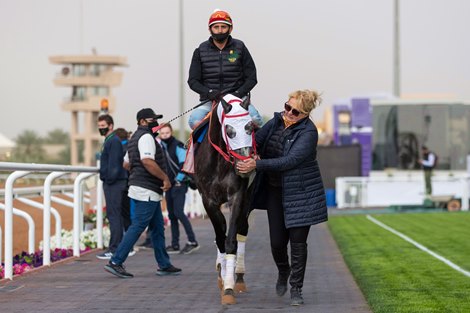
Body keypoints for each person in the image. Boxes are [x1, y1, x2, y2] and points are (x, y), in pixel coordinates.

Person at [237, 89, 328, 306]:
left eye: (294, 111)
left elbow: (290, 160)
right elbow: (257, 140)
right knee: (277, 243)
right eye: (287, 106)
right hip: (275, 191)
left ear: (305, 114)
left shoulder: (309, 132)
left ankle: (296, 289)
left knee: (298, 243)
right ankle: (283, 270)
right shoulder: (276, 121)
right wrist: (253, 152)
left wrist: (257, 164)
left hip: (302, 193)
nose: (288, 113)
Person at [104, 108, 181, 278]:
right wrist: (165, 178)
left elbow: (126, 164)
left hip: (143, 188)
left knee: (158, 228)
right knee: (138, 226)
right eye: (152, 119)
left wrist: (138, 170)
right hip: (146, 189)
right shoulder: (146, 137)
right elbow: (147, 161)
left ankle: (164, 264)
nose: (155, 122)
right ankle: (116, 261)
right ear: (142, 122)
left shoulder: (134, 139)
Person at [187, 9, 263, 130]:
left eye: (223, 26)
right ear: (210, 29)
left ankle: (256, 149)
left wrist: (238, 93)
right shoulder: (200, 50)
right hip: (210, 100)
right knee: (194, 121)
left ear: (230, 28)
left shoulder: (240, 47)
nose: (220, 30)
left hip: (238, 98)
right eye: (216, 27)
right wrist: (209, 93)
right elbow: (192, 81)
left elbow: (252, 78)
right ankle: (194, 149)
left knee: (256, 120)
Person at [159, 123, 199, 254]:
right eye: (162, 133)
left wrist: (178, 179)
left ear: (171, 133)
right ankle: (174, 244)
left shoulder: (178, 145)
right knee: (171, 215)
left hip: (179, 184)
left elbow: (184, 164)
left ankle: (192, 241)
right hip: (169, 185)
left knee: (178, 212)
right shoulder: (161, 147)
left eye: (167, 133)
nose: (165, 136)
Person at [96, 115, 128, 260]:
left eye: (103, 125)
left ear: (110, 126)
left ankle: (114, 248)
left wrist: (108, 180)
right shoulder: (110, 140)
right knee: (115, 215)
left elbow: (115, 165)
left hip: (114, 183)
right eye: (99, 125)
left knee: (114, 215)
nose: (101, 128)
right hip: (113, 182)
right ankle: (117, 246)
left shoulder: (113, 141)